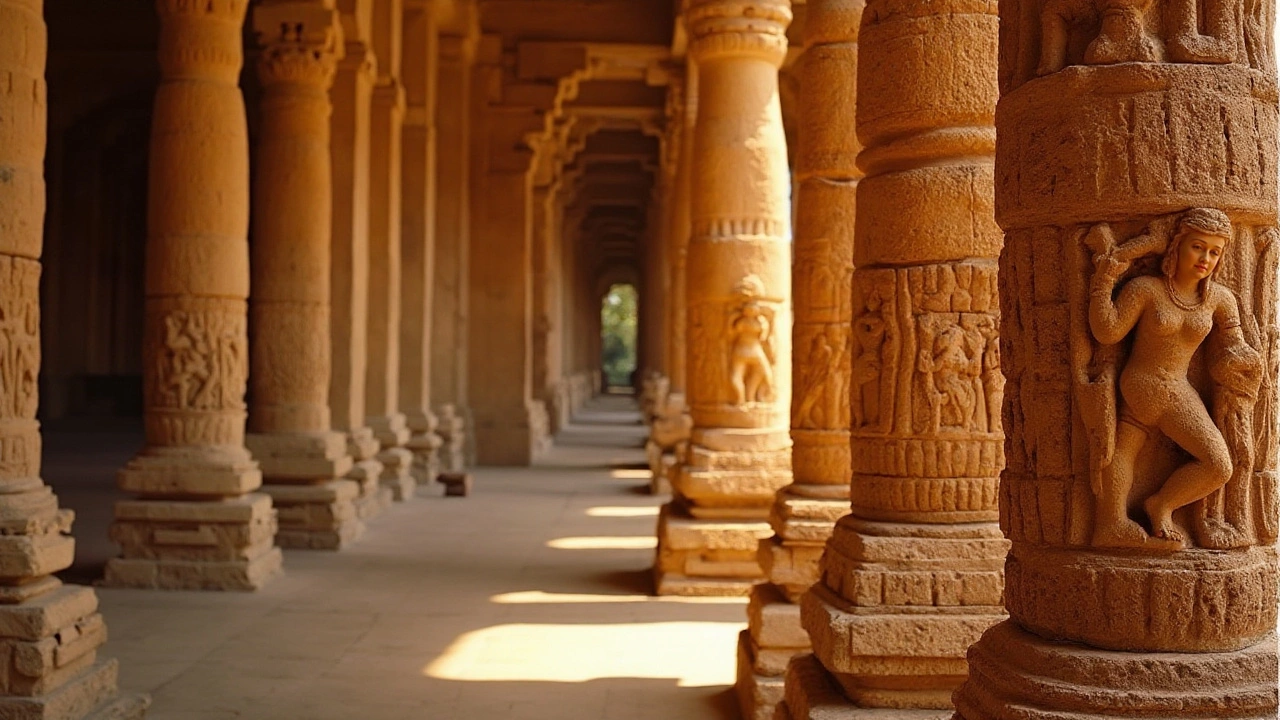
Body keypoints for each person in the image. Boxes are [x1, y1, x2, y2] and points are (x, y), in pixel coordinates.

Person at [1088, 208, 1257, 550]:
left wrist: (1245, 359)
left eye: (1215, 251)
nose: (1205, 258)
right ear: (1177, 246)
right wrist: (1103, 283)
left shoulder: (1219, 300)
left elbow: (1234, 345)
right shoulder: (1146, 289)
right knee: (1130, 451)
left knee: (1215, 465)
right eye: (1198, 247)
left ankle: (1151, 507)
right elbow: (1108, 332)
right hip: (1144, 383)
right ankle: (1124, 518)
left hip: (1177, 386)